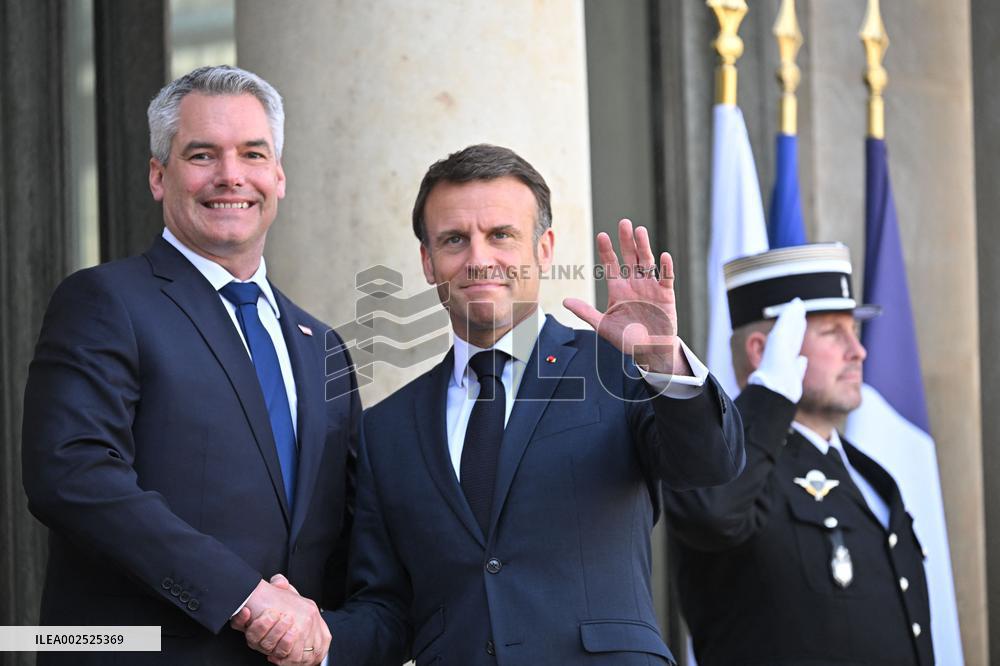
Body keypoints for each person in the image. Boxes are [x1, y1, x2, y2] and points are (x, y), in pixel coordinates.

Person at [245, 143, 744, 664]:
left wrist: (663, 362)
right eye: (455, 240)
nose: (480, 259)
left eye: (501, 235)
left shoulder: (618, 369)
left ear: (544, 248)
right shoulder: (386, 430)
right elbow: (388, 611)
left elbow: (708, 467)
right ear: (428, 261)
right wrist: (315, 639)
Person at [21, 65, 358, 665]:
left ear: (278, 176)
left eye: (253, 154)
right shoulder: (105, 301)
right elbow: (72, 476)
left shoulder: (322, 345)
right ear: (158, 175)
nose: (231, 176)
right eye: (202, 154)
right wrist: (246, 598)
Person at [663, 243, 934, 665]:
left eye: (854, 331)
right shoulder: (724, 466)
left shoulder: (867, 473)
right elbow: (710, 513)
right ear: (762, 351)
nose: (858, 351)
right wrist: (769, 393)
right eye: (831, 333)